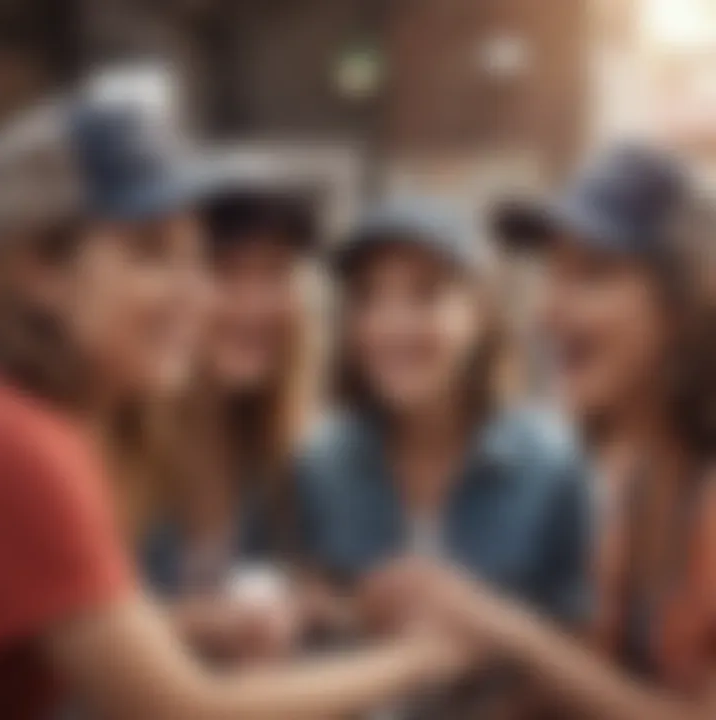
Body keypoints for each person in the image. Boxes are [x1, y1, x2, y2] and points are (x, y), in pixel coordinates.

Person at [0, 72, 470, 720]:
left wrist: (196, 624)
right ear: (40, 271)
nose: (197, 295)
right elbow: (185, 708)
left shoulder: (41, 426)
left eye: (196, 258)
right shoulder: (27, 444)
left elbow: (74, 636)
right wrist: (423, 655)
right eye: (150, 253)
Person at [363, 145, 716, 719]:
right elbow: (591, 688)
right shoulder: (626, 477)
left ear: (684, 300)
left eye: (591, 274)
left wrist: (506, 628)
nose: (547, 313)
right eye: (552, 275)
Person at [297, 198, 592, 711]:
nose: (390, 326)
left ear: (479, 312)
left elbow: (580, 668)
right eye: (369, 298)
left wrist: (484, 632)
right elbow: (305, 641)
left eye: (425, 295)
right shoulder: (320, 464)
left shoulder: (554, 466)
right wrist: (346, 613)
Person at [141, 184, 321, 660]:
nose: (255, 305)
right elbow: (60, 635)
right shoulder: (103, 441)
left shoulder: (288, 457)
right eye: (227, 273)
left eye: (275, 274)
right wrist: (204, 622)